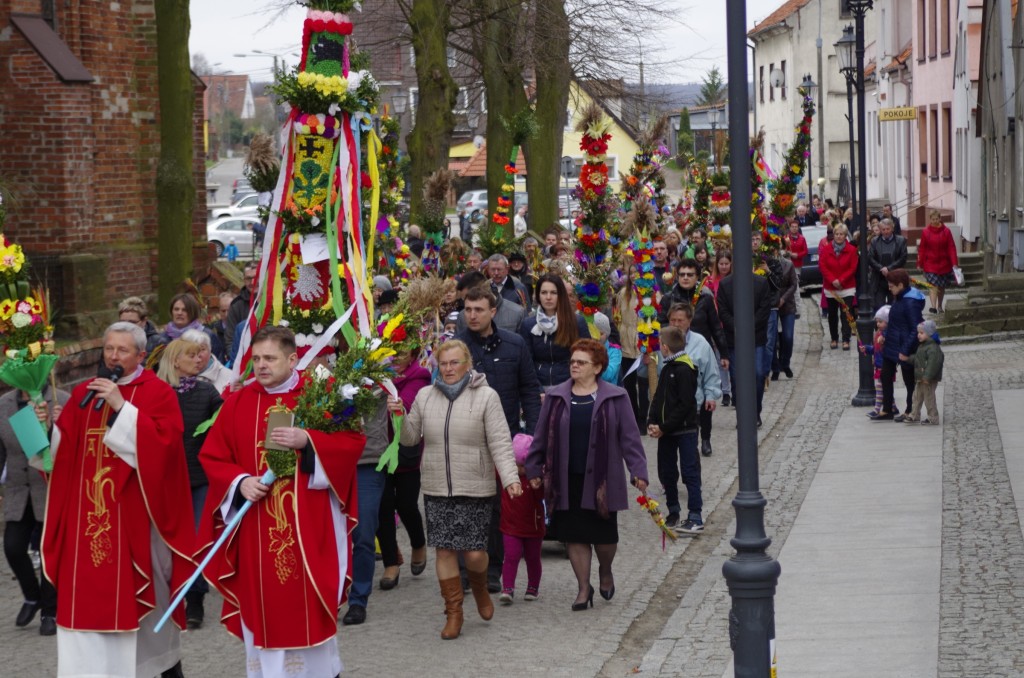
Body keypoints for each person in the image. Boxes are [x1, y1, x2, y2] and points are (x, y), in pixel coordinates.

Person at [197, 326, 366, 674]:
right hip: (256, 529)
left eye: (270, 358)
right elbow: (213, 456)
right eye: (256, 358)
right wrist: (240, 482)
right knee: (264, 606)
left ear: (292, 360)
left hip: (309, 525)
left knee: (308, 602)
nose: (261, 365)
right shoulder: (238, 402)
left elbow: (352, 443)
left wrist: (308, 439)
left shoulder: (320, 396)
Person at [42, 322, 194, 678]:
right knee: (82, 610)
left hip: (134, 523)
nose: (113, 356)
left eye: (122, 350)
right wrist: (45, 429)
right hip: (86, 525)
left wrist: (121, 407)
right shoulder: (84, 394)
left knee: (146, 623)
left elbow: (166, 451)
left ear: (141, 355)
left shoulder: (158, 393)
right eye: (108, 349)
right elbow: (59, 457)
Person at [393, 340, 521, 639]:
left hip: (475, 486)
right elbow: (410, 439)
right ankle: (454, 612)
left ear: (467, 364)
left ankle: (479, 587)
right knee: (445, 550)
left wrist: (511, 477)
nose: (448, 369)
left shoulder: (486, 396)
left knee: (475, 554)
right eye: (443, 364)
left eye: (454, 363)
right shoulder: (425, 396)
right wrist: (399, 416)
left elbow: (500, 441)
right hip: (437, 486)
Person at [524, 339, 649, 610]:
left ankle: (605, 570)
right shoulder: (556, 396)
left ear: (598, 367)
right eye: (572, 361)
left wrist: (638, 471)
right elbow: (541, 435)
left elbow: (630, 438)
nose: (575, 366)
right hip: (567, 479)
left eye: (581, 362)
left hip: (603, 478)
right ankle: (583, 588)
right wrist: (533, 467)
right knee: (575, 535)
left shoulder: (616, 396)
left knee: (605, 538)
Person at [456, 286, 541, 591]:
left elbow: (529, 390)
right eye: (467, 310)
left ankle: (493, 568)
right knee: (465, 504)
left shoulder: (514, 344)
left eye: (478, 310)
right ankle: (465, 570)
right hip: (466, 438)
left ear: (493, 312)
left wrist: (532, 436)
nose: (472, 315)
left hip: (504, 436)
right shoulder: (457, 348)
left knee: (497, 505)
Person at [156, 339, 223, 630]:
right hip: (168, 480)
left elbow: (223, 424)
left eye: (199, 355)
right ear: (175, 361)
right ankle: (169, 594)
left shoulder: (207, 391)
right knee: (169, 540)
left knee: (197, 538)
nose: (198, 360)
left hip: (199, 479)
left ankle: (195, 598)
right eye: (191, 356)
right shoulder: (158, 394)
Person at [1, 385, 69, 636]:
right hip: (18, 490)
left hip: (49, 489)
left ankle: (50, 611)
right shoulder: (4, 404)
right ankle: (32, 596)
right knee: (13, 547)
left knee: (47, 551)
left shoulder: (61, 400)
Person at [376, 346, 431, 591]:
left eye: (402, 353)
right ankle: (391, 562)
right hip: (377, 450)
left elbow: (407, 404)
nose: (395, 358)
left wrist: (396, 403)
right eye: (391, 352)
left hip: (405, 451)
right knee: (383, 507)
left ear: (413, 355)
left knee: (407, 505)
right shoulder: (373, 374)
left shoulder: (419, 376)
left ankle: (418, 543)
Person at [647, 326, 702, 534]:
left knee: (690, 472)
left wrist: (663, 426)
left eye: (660, 344)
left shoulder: (684, 369)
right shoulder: (667, 367)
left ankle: (695, 515)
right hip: (667, 432)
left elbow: (685, 404)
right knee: (668, 473)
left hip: (684, 430)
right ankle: (673, 511)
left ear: (665, 347)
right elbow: (658, 398)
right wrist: (652, 421)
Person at [665, 303, 722, 459]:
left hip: (693, 406)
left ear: (689, 321)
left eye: (680, 320)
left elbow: (711, 373)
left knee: (689, 452)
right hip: (669, 406)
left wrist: (710, 395)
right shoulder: (661, 341)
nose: (676, 324)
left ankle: (705, 440)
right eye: (673, 320)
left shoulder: (701, 343)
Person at [718, 265, 772, 426]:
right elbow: (723, 311)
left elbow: (764, 309)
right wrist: (737, 327)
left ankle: (755, 412)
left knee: (758, 374)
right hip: (734, 339)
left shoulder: (761, 283)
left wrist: (748, 326)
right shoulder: (725, 284)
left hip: (756, 338)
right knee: (737, 378)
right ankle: (742, 416)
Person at [519, 273, 588, 390]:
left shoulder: (576, 322)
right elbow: (526, 362)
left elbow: (586, 356)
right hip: (538, 387)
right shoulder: (528, 324)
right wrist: (537, 390)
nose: (548, 297)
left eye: (553, 293)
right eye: (544, 292)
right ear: (538, 295)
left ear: (561, 295)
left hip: (570, 385)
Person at [498, 434, 545, 604]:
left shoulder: (536, 478)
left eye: (523, 466)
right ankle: (507, 588)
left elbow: (542, 496)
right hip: (510, 525)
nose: (519, 470)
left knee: (533, 558)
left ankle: (533, 587)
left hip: (533, 525)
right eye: (516, 465)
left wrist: (539, 483)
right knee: (511, 555)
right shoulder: (506, 476)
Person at [873, 269, 926, 421]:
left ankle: (910, 410)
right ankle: (888, 409)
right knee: (885, 376)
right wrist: (885, 337)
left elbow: (915, 328)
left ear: (900, 285)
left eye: (892, 286)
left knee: (909, 381)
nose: (889, 289)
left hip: (904, 347)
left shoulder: (910, 302)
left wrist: (905, 350)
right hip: (892, 344)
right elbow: (895, 323)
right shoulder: (899, 297)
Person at [614, 262, 648, 431]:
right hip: (626, 340)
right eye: (631, 272)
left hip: (643, 339)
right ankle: (633, 416)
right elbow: (617, 316)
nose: (634, 276)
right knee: (629, 383)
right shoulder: (623, 293)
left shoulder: (649, 292)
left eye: (637, 272)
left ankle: (644, 417)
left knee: (643, 383)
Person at [818, 223, 859, 350]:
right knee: (832, 314)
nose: (839, 236)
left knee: (846, 314)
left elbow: (853, 268)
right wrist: (833, 280)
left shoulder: (851, 250)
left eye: (841, 234)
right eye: (837, 234)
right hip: (831, 287)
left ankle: (846, 339)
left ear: (845, 236)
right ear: (833, 235)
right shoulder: (826, 249)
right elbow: (822, 266)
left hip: (847, 287)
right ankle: (834, 338)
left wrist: (841, 280)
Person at [152, 293, 221, 360]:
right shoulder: (162, 338)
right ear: (171, 312)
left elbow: (216, 363)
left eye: (184, 310)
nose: (179, 313)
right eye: (176, 309)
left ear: (193, 312)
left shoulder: (207, 335)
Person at [917, 209, 959, 314]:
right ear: (930, 220)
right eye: (933, 219)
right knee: (933, 285)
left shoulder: (946, 231)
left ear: (940, 219)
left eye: (936, 219)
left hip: (944, 263)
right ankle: (933, 307)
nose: (935, 221)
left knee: (941, 286)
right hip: (930, 263)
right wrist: (920, 263)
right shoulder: (926, 232)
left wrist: (954, 263)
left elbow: (951, 248)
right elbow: (922, 249)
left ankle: (940, 305)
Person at [903, 320, 944, 424]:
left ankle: (933, 418)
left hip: (928, 379)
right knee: (916, 397)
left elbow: (933, 364)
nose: (918, 335)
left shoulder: (933, 348)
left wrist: (927, 377)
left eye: (921, 333)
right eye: (918, 333)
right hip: (920, 378)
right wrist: (908, 358)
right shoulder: (922, 346)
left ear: (929, 334)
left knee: (929, 398)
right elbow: (918, 358)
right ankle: (914, 415)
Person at [868, 217, 908, 309]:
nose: (886, 231)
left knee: (894, 305)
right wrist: (881, 268)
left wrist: (889, 268)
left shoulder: (900, 240)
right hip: (879, 278)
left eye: (888, 229)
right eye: (883, 229)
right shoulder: (875, 241)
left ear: (892, 228)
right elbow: (870, 258)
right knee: (879, 306)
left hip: (895, 278)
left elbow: (903, 258)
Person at [772, 252, 800, 380]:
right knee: (772, 339)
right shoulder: (766, 264)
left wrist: (783, 299)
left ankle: (785, 363)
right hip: (771, 305)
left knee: (788, 336)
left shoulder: (788, 264)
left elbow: (794, 285)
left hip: (787, 304)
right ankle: (775, 367)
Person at [181, 328, 233, 394]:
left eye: (202, 349)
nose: (197, 355)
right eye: (191, 350)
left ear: (210, 350)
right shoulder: (173, 379)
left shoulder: (230, 378)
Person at [861, 305, 890, 418]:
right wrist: (867, 348)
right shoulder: (878, 333)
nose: (878, 324)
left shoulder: (887, 335)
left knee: (880, 389)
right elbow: (875, 349)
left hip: (884, 366)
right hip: (879, 365)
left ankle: (877, 409)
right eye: (877, 321)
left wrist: (884, 340)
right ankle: (893, 407)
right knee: (885, 389)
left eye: (880, 321)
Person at [225, 263, 258, 363]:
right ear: (244, 280)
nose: (253, 282)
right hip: (244, 363)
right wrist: (238, 363)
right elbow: (230, 341)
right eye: (248, 278)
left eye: (256, 277)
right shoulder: (236, 306)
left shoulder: (275, 302)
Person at [592, 312, 622, 384]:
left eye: (601, 333)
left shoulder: (615, 351)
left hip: (608, 389)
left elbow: (609, 375)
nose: (597, 337)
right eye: (594, 334)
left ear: (607, 334)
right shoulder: (585, 348)